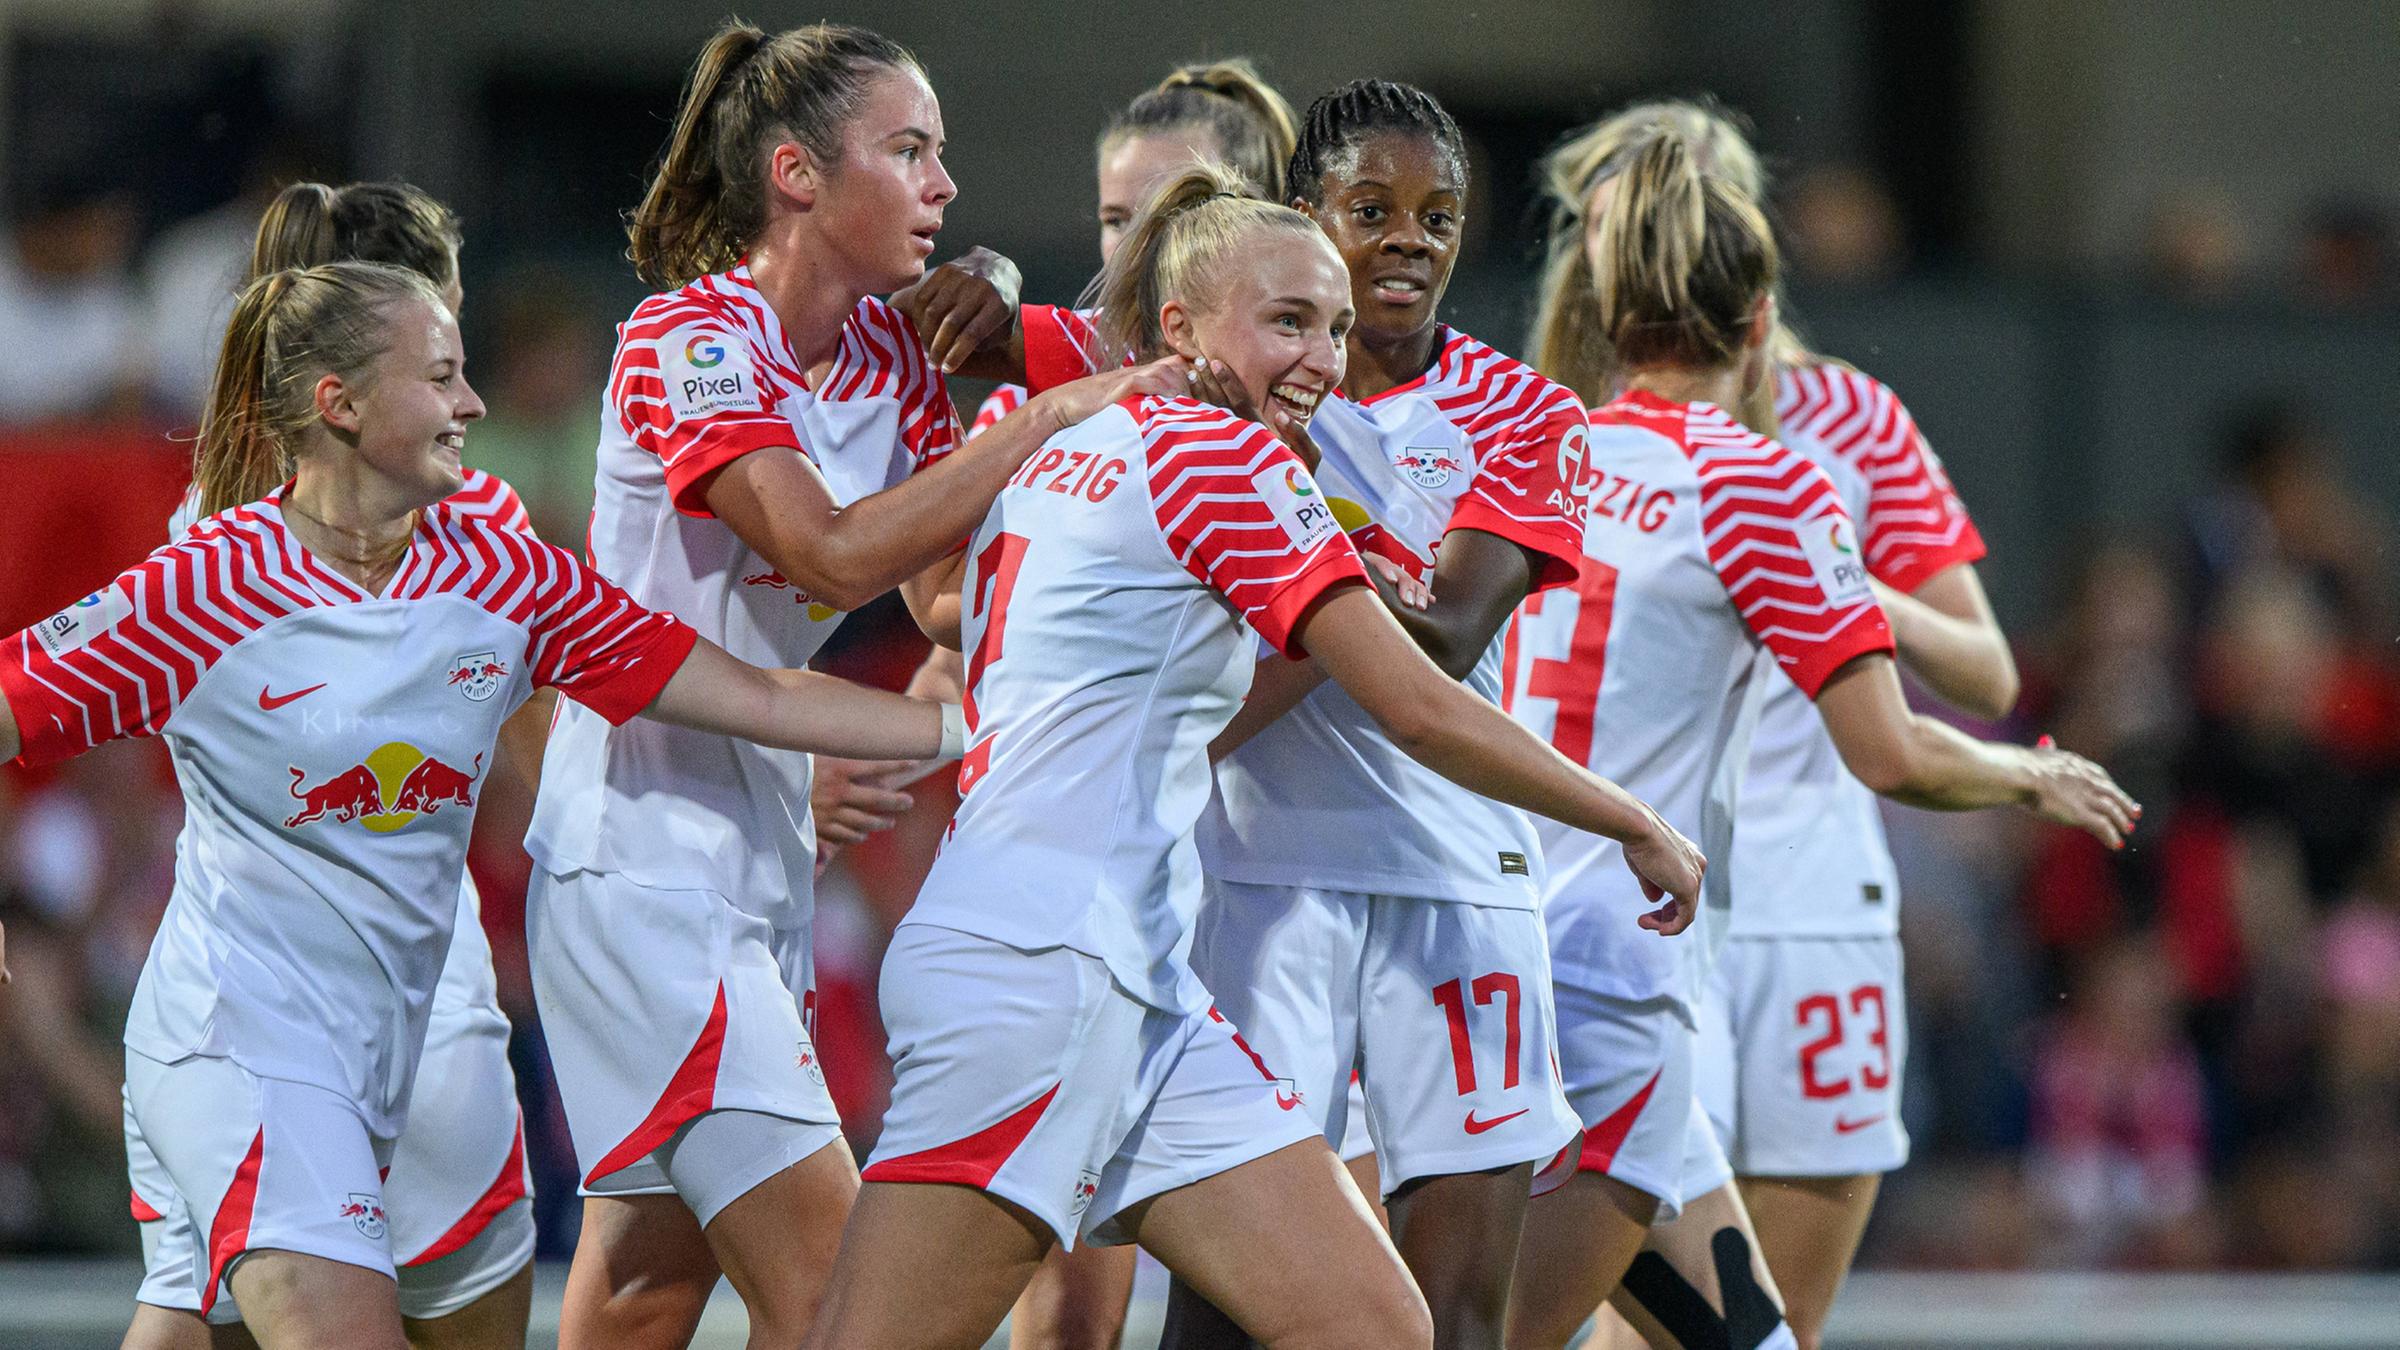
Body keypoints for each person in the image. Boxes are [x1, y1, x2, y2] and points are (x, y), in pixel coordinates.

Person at [798, 162, 1704, 1350]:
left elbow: (979, 625)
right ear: (1177, 327)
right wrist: (1631, 821)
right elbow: (1422, 707)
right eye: (1287, 322)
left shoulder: (1067, 443)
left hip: (1138, 973)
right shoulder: (1223, 461)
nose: (1325, 357)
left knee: (1376, 1327)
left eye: (1332, 324)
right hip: (1043, 971)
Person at [0, 258, 961, 1350]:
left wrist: (962, 730)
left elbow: (748, 693)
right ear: (341, 405)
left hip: (418, 1050)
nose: (475, 405)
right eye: (444, 377)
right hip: (246, 1038)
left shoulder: (502, 572)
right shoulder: (207, 583)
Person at [516, 22, 1170, 1349]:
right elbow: (822, 547)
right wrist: (1036, 417)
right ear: (798, 176)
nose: (942, 187)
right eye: (909, 151)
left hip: (757, 843)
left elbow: (941, 585)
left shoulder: (897, 353)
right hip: (639, 864)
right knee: (835, 1296)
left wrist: (1014, 333)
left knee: (646, 1285)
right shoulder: (687, 341)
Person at [1500, 133, 2137, 1350]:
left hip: (1492, 948)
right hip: (1615, 978)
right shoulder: (1763, 484)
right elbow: (1892, 752)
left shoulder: (1537, 447)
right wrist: (2027, 772)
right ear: (1759, 324)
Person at [1173, 80, 1587, 1350]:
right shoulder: (1219, 384)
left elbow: (1451, 637)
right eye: (1372, 207)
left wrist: (1302, 538)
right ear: (1307, 211)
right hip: (1261, 879)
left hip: (1458, 884)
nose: (1409, 239)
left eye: (1439, 215)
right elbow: (1005, 347)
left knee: (1455, 1317)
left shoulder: (1524, 411)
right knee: (1233, 1300)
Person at [123, 181, 543, 1350]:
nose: (466, 390)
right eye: (445, 343)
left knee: (184, 1304)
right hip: (409, 999)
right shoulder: (466, 521)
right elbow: (522, 756)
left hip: (219, 993)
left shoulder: (206, 523)